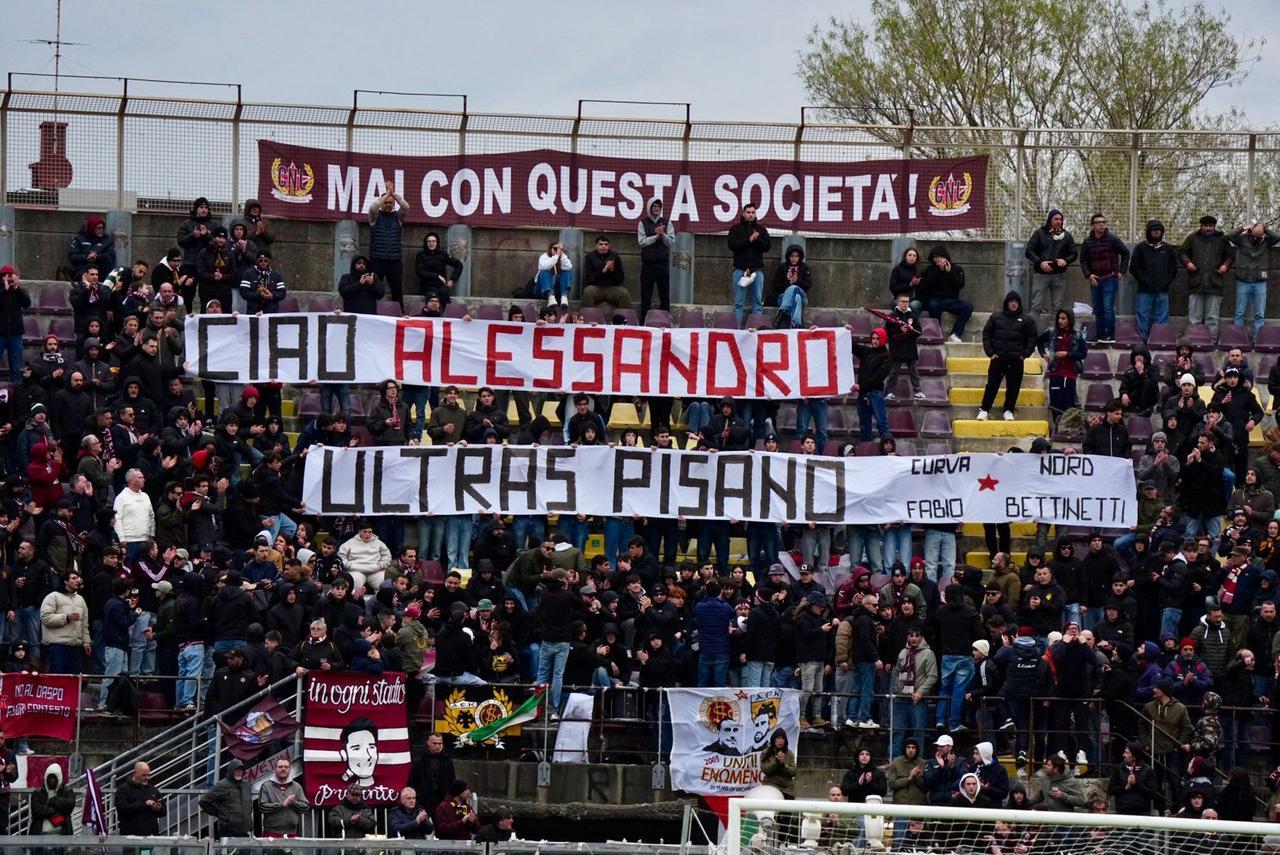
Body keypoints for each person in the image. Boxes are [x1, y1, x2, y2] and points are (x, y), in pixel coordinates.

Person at [978, 291, 1038, 421]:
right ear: (1006, 302)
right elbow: (987, 334)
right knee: (992, 386)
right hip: (998, 359)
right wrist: (990, 353)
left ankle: (1008, 410)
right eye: (1011, 301)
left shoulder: (1026, 320)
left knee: (1013, 387)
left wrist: (1025, 354)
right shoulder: (996, 317)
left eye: (1016, 301)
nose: (1014, 304)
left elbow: (1032, 337)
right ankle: (984, 410)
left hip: (1016, 360)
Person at [1180, 215, 1235, 339]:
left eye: (1210, 226)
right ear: (1201, 226)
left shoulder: (1222, 239)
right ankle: (1193, 342)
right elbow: (1182, 252)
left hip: (1215, 283)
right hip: (1196, 283)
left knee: (1212, 317)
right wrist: (1188, 263)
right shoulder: (1192, 238)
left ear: (1214, 227)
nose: (1208, 228)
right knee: (1194, 317)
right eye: (1206, 226)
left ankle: (1210, 341)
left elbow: (1231, 256)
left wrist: (1225, 266)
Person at [1079, 212, 1130, 343]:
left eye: (1103, 222)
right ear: (1092, 225)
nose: (1101, 224)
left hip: (1110, 277)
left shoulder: (1113, 239)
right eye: (1098, 222)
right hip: (1095, 279)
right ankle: (1100, 334)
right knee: (1097, 308)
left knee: (1108, 307)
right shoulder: (1087, 242)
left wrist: (1121, 271)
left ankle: (1110, 335)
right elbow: (1083, 260)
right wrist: (1088, 275)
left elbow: (1125, 253)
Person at [1229, 220, 1280, 339]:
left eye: (1259, 236)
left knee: (1260, 314)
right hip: (1243, 280)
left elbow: (1278, 237)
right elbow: (1229, 236)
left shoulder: (1266, 241)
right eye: (1254, 235)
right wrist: (1243, 227)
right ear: (1250, 231)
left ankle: (1258, 339)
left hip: (1260, 281)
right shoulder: (1242, 239)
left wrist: (1264, 228)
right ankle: (1238, 339)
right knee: (1239, 313)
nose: (1256, 238)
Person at [1037, 308, 1088, 428]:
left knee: (1069, 404)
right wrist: (1043, 353)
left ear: (1069, 320)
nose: (1060, 321)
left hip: (1070, 374)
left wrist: (1068, 354)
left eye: (1063, 318)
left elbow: (1083, 354)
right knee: (1055, 403)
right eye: (1059, 318)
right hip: (1056, 373)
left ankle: (1068, 428)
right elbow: (1038, 341)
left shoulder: (1078, 334)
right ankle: (1057, 427)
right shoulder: (1051, 332)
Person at [1130, 219, 1179, 341]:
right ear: (1148, 231)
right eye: (1154, 230)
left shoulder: (1168, 249)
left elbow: (1173, 268)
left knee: (1162, 317)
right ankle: (1143, 341)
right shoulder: (1140, 248)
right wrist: (1145, 281)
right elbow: (1134, 268)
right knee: (1142, 316)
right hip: (1144, 291)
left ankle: (1159, 340)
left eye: (1159, 230)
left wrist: (1166, 282)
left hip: (1162, 291)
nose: (1156, 232)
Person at [1025, 209, 1078, 314]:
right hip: (1041, 274)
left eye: (1060, 219)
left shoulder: (1066, 236)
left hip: (1059, 274)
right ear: (1050, 220)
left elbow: (1074, 253)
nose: (1059, 221)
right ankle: (1034, 330)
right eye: (1056, 219)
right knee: (1036, 306)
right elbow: (1029, 251)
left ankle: (1056, 330)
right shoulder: (1039, 233)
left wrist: (1065, 260)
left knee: (1058, 307)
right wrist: (1040, 262)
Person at [39, 569, 91, 674]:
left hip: (75, 646)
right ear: (65, 581)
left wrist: (86, 642)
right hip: (56, 645)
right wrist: (66, 618)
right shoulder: (52, 597)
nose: (78, 581)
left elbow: (84, 624)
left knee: (72, 680)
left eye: (78, 578)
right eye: (74, 578)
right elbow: (45, 617)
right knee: (56, 678)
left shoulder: (81, 599)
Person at [727, 203, 771, 325]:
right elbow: (732, 244)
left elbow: (767, 246)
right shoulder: (735, 229)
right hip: (741, 269)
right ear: (743, 213)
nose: (751, 215)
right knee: (738, 301)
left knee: (757, 301)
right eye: (748, 212)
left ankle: (756, 328)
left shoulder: (761, 229)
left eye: (753, 212)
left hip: (756, 269)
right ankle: (736, 330)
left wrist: (757, 240)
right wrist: (749, 240)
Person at [918, 245, 972, 343]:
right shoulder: (930, 269)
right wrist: (939, 270)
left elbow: (960, 285)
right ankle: (936, 332)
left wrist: (949, 272)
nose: (936, 259)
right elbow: (928, 284)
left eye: (938, 257)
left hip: (952, 300)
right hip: (936, 299)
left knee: (967, 307)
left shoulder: (957, 269)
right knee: (933, 305)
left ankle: (955, 334)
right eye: (934, 257)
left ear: (945, 257)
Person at [367, 182, 409, 304]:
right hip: (377, 259)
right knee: (374, 289)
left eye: (391, 203)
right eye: (386, 202)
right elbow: (372, 207)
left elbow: (406, 207)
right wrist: (386, 195)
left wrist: (393, 194)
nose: (388, 204)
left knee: (397, 291)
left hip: (394, 260)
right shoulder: (374, 216)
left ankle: (400, 315)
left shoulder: (398, 217)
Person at [636, 198, 674, 320]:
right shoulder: (643, 223)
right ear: (649, 208)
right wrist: (656, 236)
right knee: (646, 295)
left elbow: (671, 242)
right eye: (654, 206)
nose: (656, 208)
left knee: (664, 295)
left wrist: (662, 235)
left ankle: (665, 322)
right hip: (648, 265)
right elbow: (642, 242)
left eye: (658, 206)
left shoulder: (666, 222)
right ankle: (644, 323)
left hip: (663, 264)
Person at [851, 327, 892, 441]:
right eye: (873, 338)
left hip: (876, 394)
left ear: (883, 339)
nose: (875, 341)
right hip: (863, 394)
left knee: (881, 424)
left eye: (878, 339)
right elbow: (854, 347)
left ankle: (888, 452)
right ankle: (866, 452)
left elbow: (878, 377)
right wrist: (847, 332)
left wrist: (861, 386)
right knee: (864, 426)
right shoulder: (867, 352)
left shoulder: (886, 357)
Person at [199, 758, 253, 839]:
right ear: (231, 770)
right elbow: (204, 801)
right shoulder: (222, 785)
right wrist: (220, 813)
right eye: (236, 770)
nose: (239, 772)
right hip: (228, 832)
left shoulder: (246, 785)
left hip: (246, 832)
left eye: (241, 770)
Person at [258, 756, 309, 838]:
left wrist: (293, 803)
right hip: (271, 833)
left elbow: (305, 807)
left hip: (291, 833)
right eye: (280, 767)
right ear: (275, 769)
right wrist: (282, 805)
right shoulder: (266, 786)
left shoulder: (296, 786)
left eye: (286, 767)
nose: (283, 769)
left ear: (289, 769)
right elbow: (262, 807)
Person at [885, 293, 924, 400]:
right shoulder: (892, 316)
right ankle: (889, 392)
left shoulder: (913, 315)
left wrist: (911, 330)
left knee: (914, 371)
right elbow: (887, 332)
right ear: (898, 303)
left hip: (910, 347)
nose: (905, 304)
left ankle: (918, 391)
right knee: (894, 372)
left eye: (907, 302)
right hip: (896, 348)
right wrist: (899, 330)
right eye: (903, 301)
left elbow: (919, 332)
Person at [581, 236, 631, 314]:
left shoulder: (615, 256)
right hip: (596, 288)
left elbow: (620, 279)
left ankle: (623, 321)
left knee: (624, 293)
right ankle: (588, 319)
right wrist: (603, 271)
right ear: (596, 246)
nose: (603, 246)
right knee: (588, 292)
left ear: (609, 246)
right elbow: (588, 279)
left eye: (606, 244)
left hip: (612, 288)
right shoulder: (590, 257)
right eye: (601, 244)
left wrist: (612, 270)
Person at [410, 732, 457, 810]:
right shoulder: (419, 760)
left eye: (440, 743)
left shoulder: (447, 760)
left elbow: (452, 780)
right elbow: (413, 781)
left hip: (443, 801)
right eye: (434, 743)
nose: (437, 746)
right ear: (428, 743)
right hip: (423, 801)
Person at [116, 761, 165, 835]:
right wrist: (144, 804)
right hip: (130, 835)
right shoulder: (123, 789)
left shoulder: (152, 789)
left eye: (148, 775)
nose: (147, 778)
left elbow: (163, 812)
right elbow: (122, 809)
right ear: (135, 773)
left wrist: (159, 808)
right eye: (143, 775)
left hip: (150, 834)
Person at [0, 265, 30, 383]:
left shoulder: (19, 291)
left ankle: (17, 392)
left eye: (10, 276)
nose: (8, 279)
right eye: (5, 276)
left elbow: (27, 303)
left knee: (15, 368)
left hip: (15, 334)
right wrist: (4, 290)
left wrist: (17, 289)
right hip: (0, 333)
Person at [414, 232, 463, 304]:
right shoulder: (421, 255)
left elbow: (458, 265)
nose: (431, 243)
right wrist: (437, 276)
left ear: (437, 243)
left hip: (440, 286)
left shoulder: (443, 254)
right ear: (426, 243)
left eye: (434, 241)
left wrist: (453, 280)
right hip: (427, 285)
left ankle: (448, 315)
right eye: (429, 241)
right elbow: (420, 272)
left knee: (445, 296)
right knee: (434, 298)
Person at [772, 244, 812, 329]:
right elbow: (776, 286)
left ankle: (782, 311)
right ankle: (796, 324)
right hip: (783, 298)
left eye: (796, 256)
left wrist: (797, 281)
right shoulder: (782, 267)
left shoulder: (804, 267)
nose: (794, 258)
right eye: (792, 256)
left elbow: (808, 285)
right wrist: (787, 282)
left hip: (803, 298)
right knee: (796, 297)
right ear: (788, 256)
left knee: (794, 288)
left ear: (800, 257)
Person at [29, 763, 75, 836]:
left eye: (54, 778)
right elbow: (36, 810)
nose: (52, 781)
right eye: (50, 778)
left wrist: (53, 800)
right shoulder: (37, 792)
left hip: (62, 835)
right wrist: (57, 810)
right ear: (46, 778)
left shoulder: (67, 791)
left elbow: (70, 805)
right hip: (40, 835)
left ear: (59, 778)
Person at [68, 214, 117, 281]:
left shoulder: (107, 241)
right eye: (98, 228)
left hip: (100, 271)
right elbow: (73, 256)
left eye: (102, 228)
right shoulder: (79, 239)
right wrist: (86, 258)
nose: (101, 230)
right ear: (92, 228)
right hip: (83, 270)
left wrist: (98, 257)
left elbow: (110, 257)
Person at [760, 730, 797, 798]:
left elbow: (794, 772)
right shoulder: (766, 753)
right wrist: (776, 761)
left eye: (783, 739)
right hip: (771, 786)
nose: (781, 741)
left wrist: (783, 765)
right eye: (778, 738)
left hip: (787, 789)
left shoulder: (789, 753)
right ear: (774, 740)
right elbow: (765, 769)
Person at [536, 240, 574, 306]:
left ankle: (564, 297)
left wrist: (561, 255)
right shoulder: (544, 257)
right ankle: (550, 296)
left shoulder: (562, 258)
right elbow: (545, 266)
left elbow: (569, 266)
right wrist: (556, 257)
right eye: (555, 248)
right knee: (544, 272)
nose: (557, 251)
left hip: (556, 289)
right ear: (550, 249)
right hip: (542, 288)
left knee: (566, 271)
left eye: (560, 249)